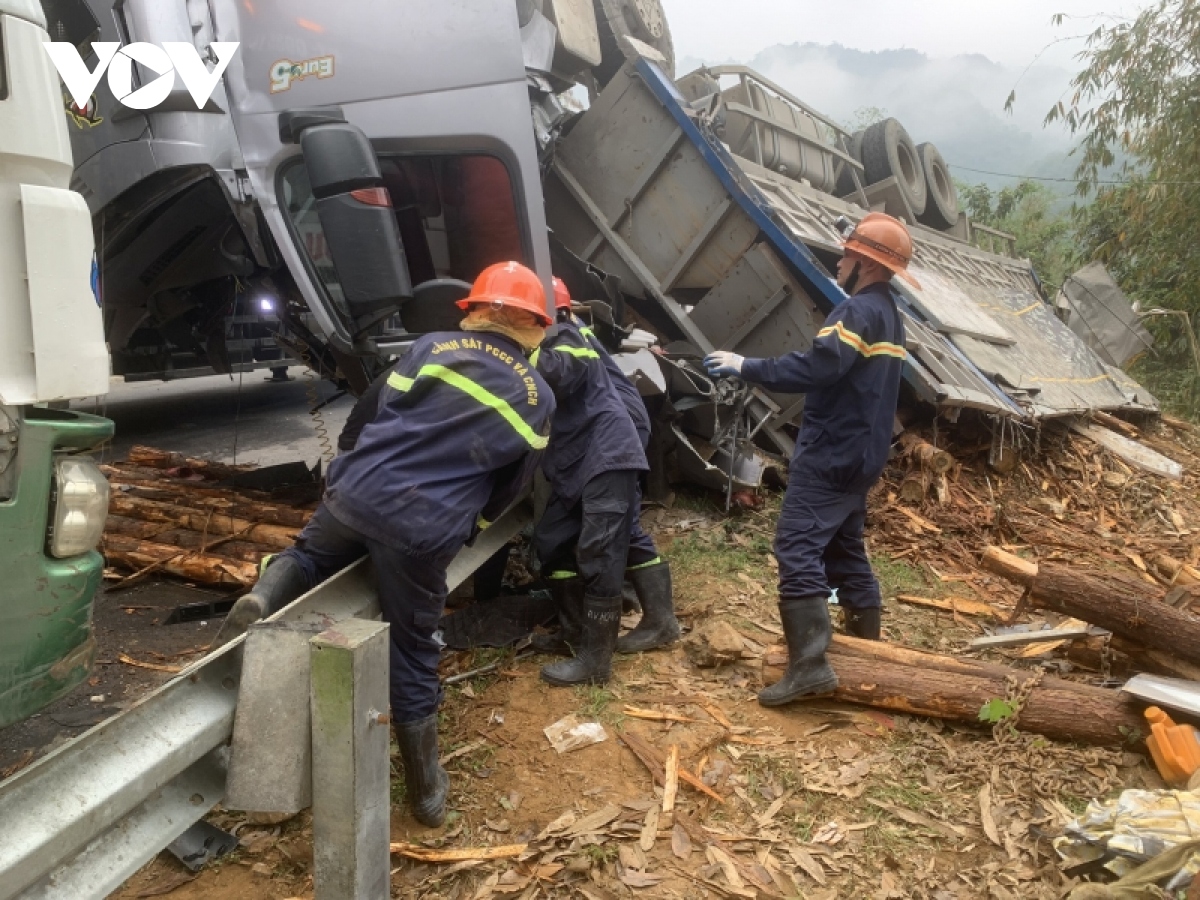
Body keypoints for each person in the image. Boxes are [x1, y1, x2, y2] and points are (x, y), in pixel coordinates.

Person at [215, 261, 554, 825]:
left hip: (355, 497)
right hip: (421, 529)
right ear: (534, 325)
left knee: (306, 553)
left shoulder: (429, 348)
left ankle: (262, 599)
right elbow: (511, 485)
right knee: (414, 648)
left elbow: (367, 412)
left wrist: (345, 474)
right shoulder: (537, 395)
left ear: (473, 311)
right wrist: (473, 522)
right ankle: (425, 793)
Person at [703, 212, 915, 707]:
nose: (839, 263)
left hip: (832, 454)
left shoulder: (857, 313)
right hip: (862, 455)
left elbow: (819, 366)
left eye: (845, 254)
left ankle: (810, 667)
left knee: (797, 548)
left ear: (863, 261)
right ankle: (867, 648)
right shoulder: (889, 315)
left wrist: (745, 365)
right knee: (844, 552)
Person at [531, 278, 680, 657]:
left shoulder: (566, 338)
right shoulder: (567, 335)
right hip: (589, 447)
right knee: (554, 538)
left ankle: (647, 627)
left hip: (610, 444)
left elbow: (558, 375)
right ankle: (575, 630)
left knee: (611, 537)